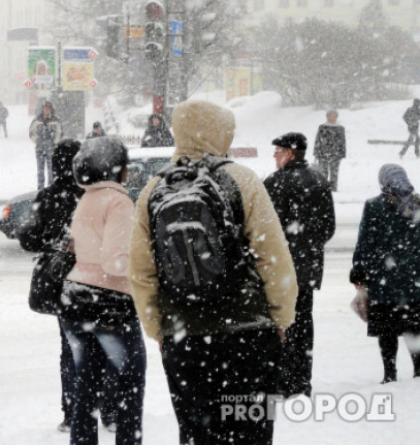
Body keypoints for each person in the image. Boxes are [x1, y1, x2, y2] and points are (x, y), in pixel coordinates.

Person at [130, 100, 297, 445]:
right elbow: (274, 258)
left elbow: (141, 272)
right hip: (247, 332)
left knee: (197, 433)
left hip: (184, 336)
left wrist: (157, 328)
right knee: (251, 431)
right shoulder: (242, 179)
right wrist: (280, 319)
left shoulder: (154, 190)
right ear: (222, 132)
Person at [18, 139, 117, 433]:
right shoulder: (99, 195)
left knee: (71, 348)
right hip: (100, 282)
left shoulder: (48, 196)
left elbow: (29, 240)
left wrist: (49, 241)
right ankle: (110, 410)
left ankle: (73, 411)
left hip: (66, 288)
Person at [60, 136, 146, 445]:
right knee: (130, 387)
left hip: (76, 296)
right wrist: (146, 262)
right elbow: (114, 262)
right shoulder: (119, 201)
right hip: (109, 301)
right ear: (116, 168)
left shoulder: (87, 198)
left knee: (86, 387)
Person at [264, 132, 336, 398]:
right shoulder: (318, 180)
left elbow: (263, 230)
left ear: (290, 153)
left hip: (280, 269)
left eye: (278, 150)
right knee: (303, 322)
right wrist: (309, 247)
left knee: (279, 323)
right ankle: (302, 381)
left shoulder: (274, 183)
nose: (274, 156)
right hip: (307, 269)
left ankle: (282, 381)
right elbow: (329, 227)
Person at [350, 164, 420, 383]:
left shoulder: (374, 206)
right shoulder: (417, 204)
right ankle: (418, 370)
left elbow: (365, 241)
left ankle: (390, 374)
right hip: (414, 280)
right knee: (413, 327)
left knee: (387, 330)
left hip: (383, 280)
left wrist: (359, 270)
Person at [29, 101, 62, 190]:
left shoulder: (55, 120)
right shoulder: (36, 120)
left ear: (51, 109)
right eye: (45, 108)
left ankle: (51, 189)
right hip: (39, 148)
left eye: (48, 108)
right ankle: (40, 189)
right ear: (42, 109)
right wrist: (37, 141)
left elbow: (59, 133)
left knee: (51, 170)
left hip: (51, 149)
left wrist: (54, 142)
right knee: (40, 171)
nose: (46, 110)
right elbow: (31, 133)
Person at [313, 109, 346, 191]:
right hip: (323, 153)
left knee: (334, 172)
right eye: (331, 116)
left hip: (336, 153)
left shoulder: (340, 128)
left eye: (334, 116)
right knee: (323, 172)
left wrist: (342, 153)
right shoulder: (322, 127)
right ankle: (323, 187)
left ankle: (333, 187)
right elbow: (318, 140)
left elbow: (342, 141)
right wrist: (316, 152)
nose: (332, 118)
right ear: (327, 117)